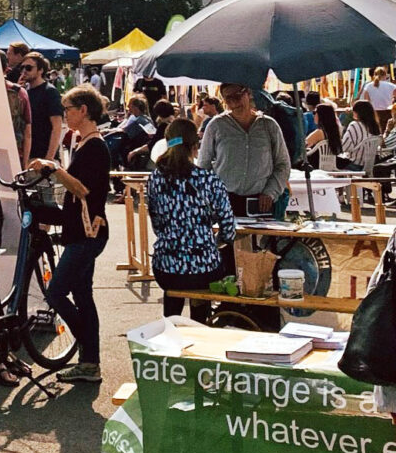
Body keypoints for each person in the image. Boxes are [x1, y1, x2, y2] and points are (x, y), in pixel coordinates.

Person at [28, 86, 110, 383]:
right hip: (84, 232)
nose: (66, 116)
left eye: (69, 110)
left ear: (84, 111)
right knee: (82, 296)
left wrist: (53, 168)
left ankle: (88, 348)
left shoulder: (95, 147)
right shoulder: (84, 143)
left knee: (56, 293)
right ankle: (90, 363)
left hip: (88, 234)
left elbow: (82, 189)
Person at [147, 118, 235, 323]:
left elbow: (157, 225)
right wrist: (214, 242)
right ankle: (200, 325)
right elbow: (229, 229)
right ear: (196, 147)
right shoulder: (209, 180)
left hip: (165, 267)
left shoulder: (155, 179)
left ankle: (172, 327)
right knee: (201, 286)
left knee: (173, 291)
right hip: (204, 268)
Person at [197, 83, 290, 216]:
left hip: (262, 203)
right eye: (228, 99)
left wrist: (270, 192)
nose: (234, 102)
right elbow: (203, 167)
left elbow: (283, 164)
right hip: (225, 201)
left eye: (238, 96)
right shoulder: (216, 126)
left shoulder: (269, 126)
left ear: (248, 93)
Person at [19, 52, 63, 161]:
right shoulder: (24, 92)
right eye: (22, 67)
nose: (24, 71)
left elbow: (57, 127)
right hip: (26, 155)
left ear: (40, 70)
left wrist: (49, 158)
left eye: (28, 68)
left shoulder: (50, 92)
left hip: (42, 156)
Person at [0, 51, 32, 166]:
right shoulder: (20, 93)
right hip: (15, 156)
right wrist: (25, 164)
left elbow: (27, 131)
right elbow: (27, 132)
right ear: (6, 69)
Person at [342, 100, 381, 170]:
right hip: (370, 165)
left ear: (358, 112)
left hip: (354, 164)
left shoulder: (354, 125)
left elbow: (344, 147)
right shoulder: (375, 126)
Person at [304, 103, 343, 169]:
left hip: (314, 165)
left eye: (314, 112)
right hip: (328, 164)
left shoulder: (319, 133)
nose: (313, 115)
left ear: (321, 115)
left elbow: (303, 145)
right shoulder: (335, 132)